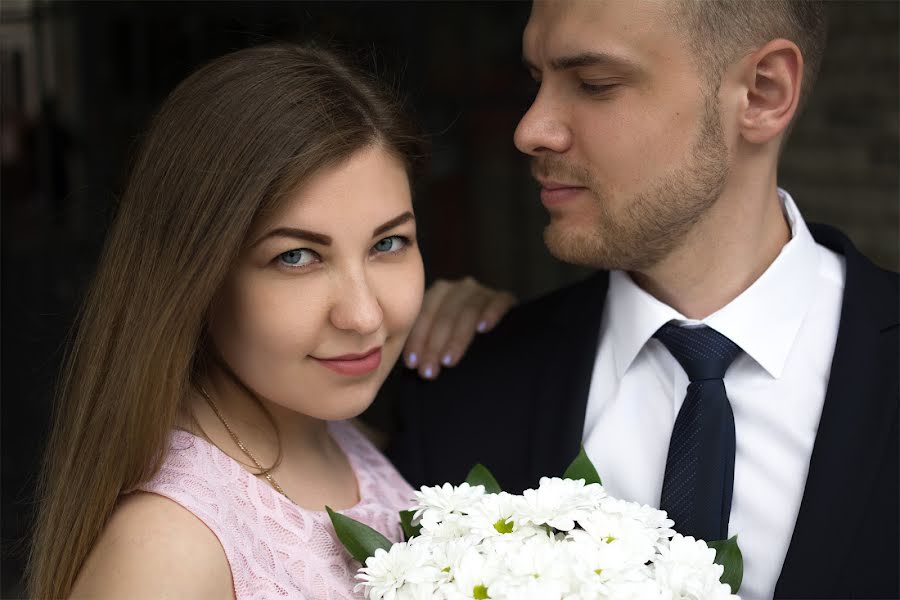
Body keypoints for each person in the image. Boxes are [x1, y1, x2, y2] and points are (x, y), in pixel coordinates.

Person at [371, 2, 899, 599]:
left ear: (762, 92)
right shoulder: (461, 384)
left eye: (595, 85)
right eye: (535, 81)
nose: (530, 129)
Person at [28, 43, 428, 599]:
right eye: (296, 257)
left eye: (388, 243)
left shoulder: (340, 441)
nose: (364, 315)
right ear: (197, 277)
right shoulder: (167, 551)